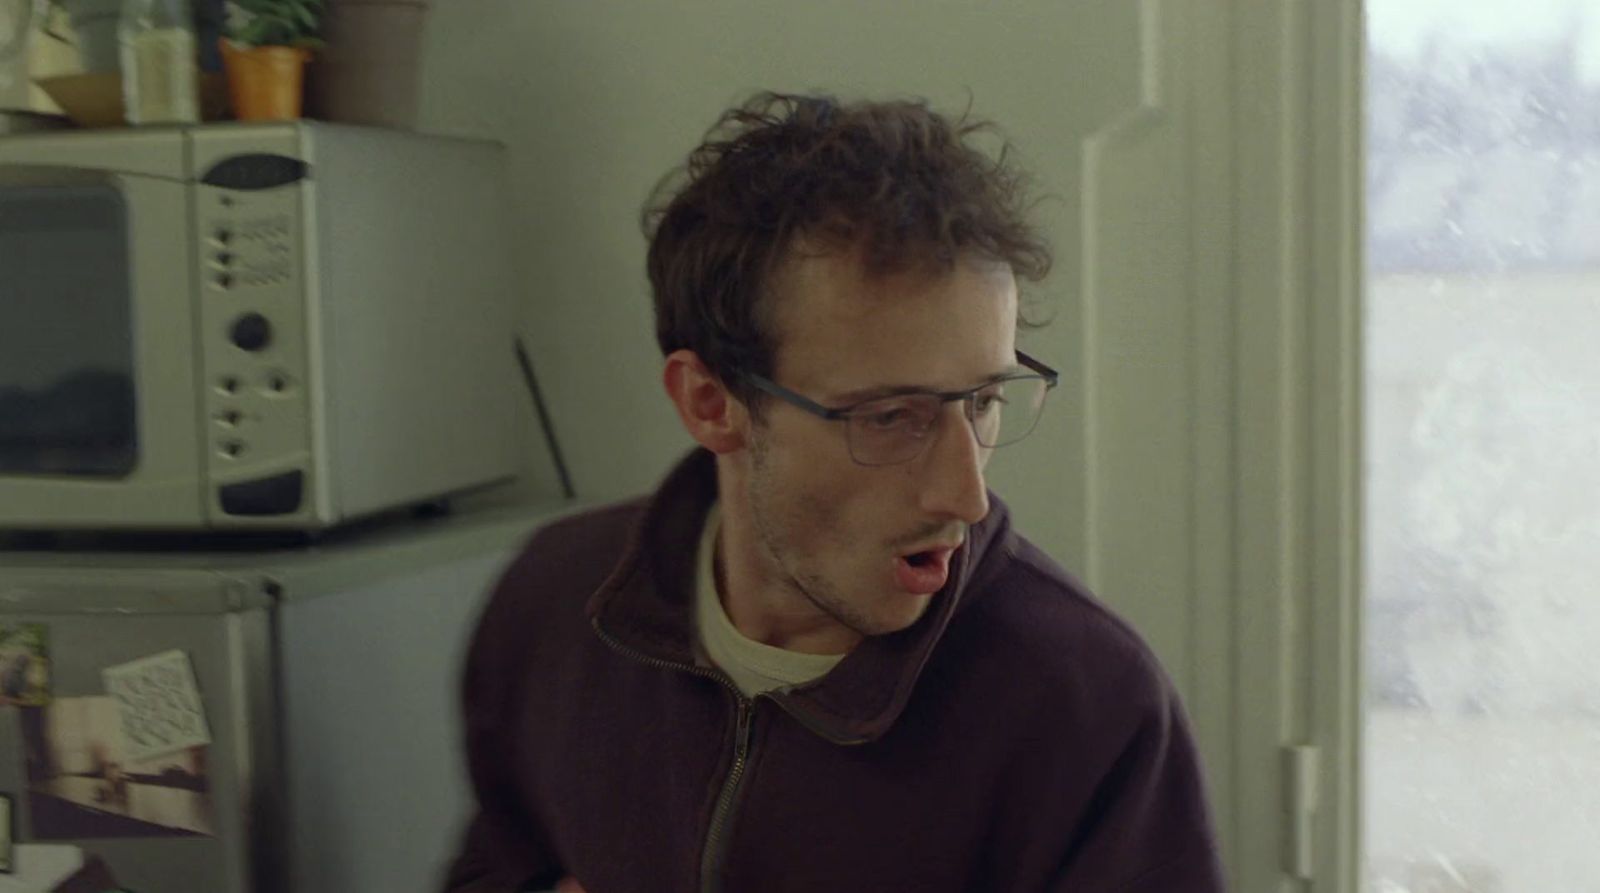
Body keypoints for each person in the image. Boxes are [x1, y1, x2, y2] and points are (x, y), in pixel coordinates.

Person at [443, 91, 1226, 893]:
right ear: (711, 404)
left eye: (984, 401)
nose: (966, 496)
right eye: (891, 417)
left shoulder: (1088, 707)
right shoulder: (553, 603)